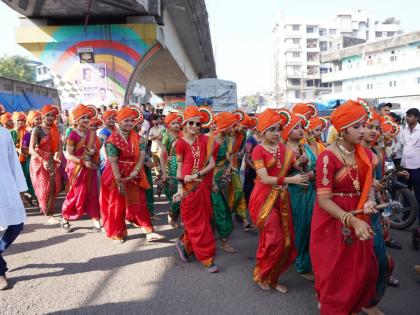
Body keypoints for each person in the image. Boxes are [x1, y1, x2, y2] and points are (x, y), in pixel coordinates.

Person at [310, 100, 380, 315]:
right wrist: (352, 219)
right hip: (334, 218)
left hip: (360, 214)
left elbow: (368, 187)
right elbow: (323, 200)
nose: (364, 131)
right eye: (357, 126)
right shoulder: (327, 157)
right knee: (334, 270)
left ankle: (349, 306)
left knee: (361, 270)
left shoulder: (366, 154)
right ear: (342, 130)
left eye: (364, 125)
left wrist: (370, 200)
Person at [249, 108, 308, 293]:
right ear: (262, 132)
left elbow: (294, 166)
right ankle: (262, 274)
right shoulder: (258, 150)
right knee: (273, 238)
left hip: (281, 199)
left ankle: (272, 277)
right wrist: (292, 180)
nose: (276, 134)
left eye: (278, 129)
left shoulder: (284, 149)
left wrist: (302, 162)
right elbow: (265, 178)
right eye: (272, 130)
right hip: (263, 199)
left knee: (285, 241)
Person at [100, 106, 164, 243]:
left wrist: (137, 169)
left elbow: (141, 154)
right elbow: (113, 161)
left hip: (134, 173)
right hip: (116, 173)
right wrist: (119, 180)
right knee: (117, 204)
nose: (129, 123)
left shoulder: (138, 137)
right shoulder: (113, 139)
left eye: (131, 121)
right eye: (126, 121)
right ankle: (116, 233)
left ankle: (149, 230)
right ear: (119, 121)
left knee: (139, 202)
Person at [173, 106, 219, 273]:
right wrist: (179, 188)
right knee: (195, 222)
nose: (194, 126)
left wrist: (198, 174)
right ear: (185, 124)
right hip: (188, 188)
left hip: (203, 184)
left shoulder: (205, 141)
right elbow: (179, 168)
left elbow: (212, 164)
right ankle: (206, 257)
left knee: (204, 220)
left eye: (198, 124)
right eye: (191, 123)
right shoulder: (180, 143)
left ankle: (184, 244)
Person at [362, 110, 395, 309]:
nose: (374, 131)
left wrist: (385, 211)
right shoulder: (349, 153)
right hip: (357, 214)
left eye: (377, 128)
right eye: (369, 126)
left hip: (374, 211)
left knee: (382, 262)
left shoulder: (375, 153)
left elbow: (380, 185)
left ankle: (368, 299)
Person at [282, 114, 316, 282]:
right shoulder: (286, 150)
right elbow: (284, 173)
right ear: (287, 132)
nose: (301, 130)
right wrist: (301, 168)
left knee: (312, 226)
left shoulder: (306, 146)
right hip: (297, 193)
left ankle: (306, 259)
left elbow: (315, 165)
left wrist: (313, 174)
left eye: (301, 127)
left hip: (311, 190)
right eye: (296, 128)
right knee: (302, 226)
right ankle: (301, 264)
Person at [61, 104, 101, 232]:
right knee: (75, 194)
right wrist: (83, 162)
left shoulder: (92, 133)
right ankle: (65, 218)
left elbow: (95, 149)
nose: (85, 120)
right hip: (77, 169)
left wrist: (92, 151)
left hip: (90, 168)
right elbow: (68, 155)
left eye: (87, 118)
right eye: (83, 118)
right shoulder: (72, 135)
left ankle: (96, 220)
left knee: (93, 193)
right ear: (77, 120)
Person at [0, 126, 27, 290]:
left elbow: (13, 162)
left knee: (18, 224)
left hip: (6, 186)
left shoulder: (4, 133)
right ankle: (0, 272)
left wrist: (21, 189)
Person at [29, 105, 62, 225]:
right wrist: (42, 160)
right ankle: (49, 214)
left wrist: (57, 156)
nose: (50, 117)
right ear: (43, 116)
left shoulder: (56, 129)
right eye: (47, 115)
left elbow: (58, 146)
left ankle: (48, 207)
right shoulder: (37, 129)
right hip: (38, 161)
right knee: (44, 188)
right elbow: (31, 149)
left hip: (52, 160)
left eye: (52, 115)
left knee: (55, 186)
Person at [212, 112, 238, 253]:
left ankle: (223, 237)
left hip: (225, 178)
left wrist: (229, 169)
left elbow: (230, 157)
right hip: (212, 178)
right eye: (231, 125)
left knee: (226, 207)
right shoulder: (212, 140)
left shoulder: (230, 139)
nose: (233, 128)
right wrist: (212, 182)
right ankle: (222, 239)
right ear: (224, 125)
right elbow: (206, 164)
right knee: (218, 208)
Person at [160, 112, 183, 228]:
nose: (176, 125)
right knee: (175, 194)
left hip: (183, 165)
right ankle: (172, 215)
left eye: (178, 123)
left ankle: (175, 214)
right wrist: (163, 172)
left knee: (184, 193)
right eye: (173, 123)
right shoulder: (167, 136)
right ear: (169, 125)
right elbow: (162, 155)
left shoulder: (183, 135)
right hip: (172, 166)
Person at [398, 108, 420, 225]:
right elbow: (401, 145)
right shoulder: (404, 130)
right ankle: (406, 217)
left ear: (416, 118)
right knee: (405, 192)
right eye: (407, 116)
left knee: (418, 193)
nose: (407, 118)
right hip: (404, 166)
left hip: (417, 167)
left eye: (410, 116)